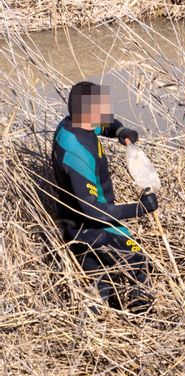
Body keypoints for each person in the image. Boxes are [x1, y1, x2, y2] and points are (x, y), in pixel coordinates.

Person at [51, 81, 158, 313]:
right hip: (91, 228)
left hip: (76, 224)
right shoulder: (77, 152)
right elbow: (92, 210)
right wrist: (138, 209)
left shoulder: (72, 124)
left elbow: (106, 124)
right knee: (141, 265)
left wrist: (120, 132)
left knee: (99, 280)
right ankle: (143, 320)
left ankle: (95, 319)